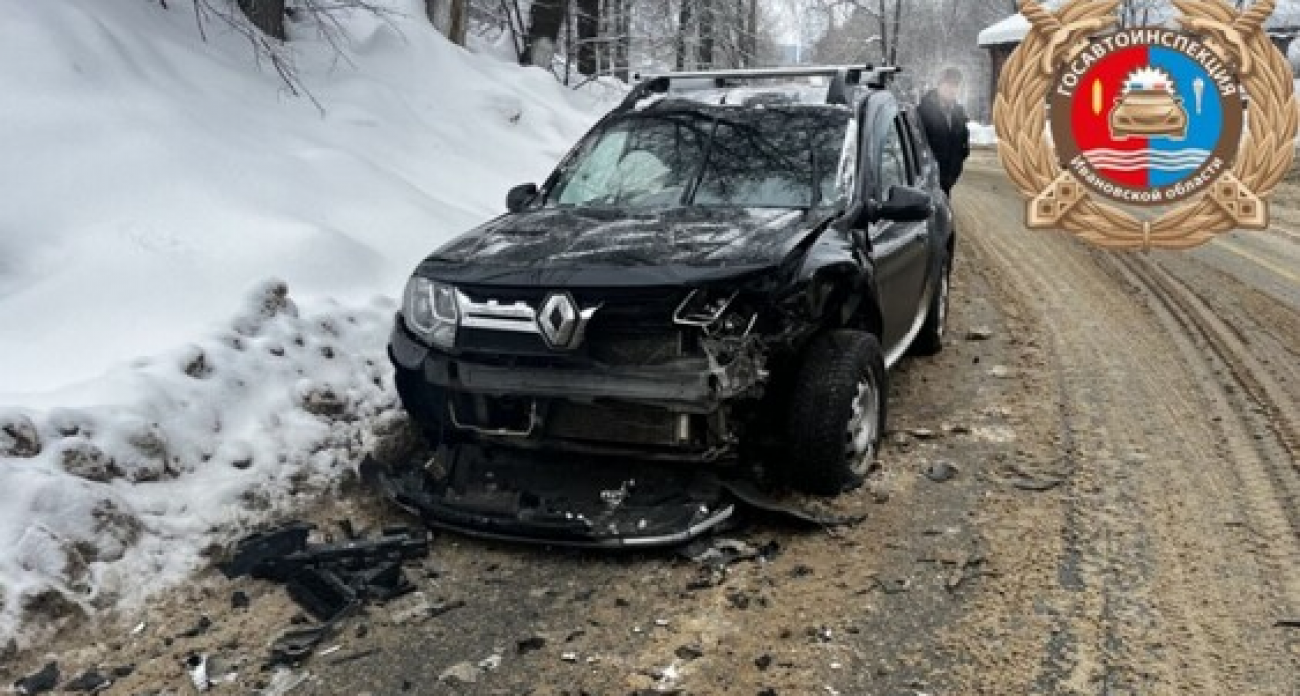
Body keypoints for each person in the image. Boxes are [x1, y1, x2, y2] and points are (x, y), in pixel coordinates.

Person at [918, 67, 971, 198]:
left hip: (948, 181)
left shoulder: (958, 113)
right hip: (926, 184)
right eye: (948, 84)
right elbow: (917, 145)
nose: (952, 89)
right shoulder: (923, 111)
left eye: (955, 85)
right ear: (939, 85)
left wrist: (955, 169)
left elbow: (963, 146)